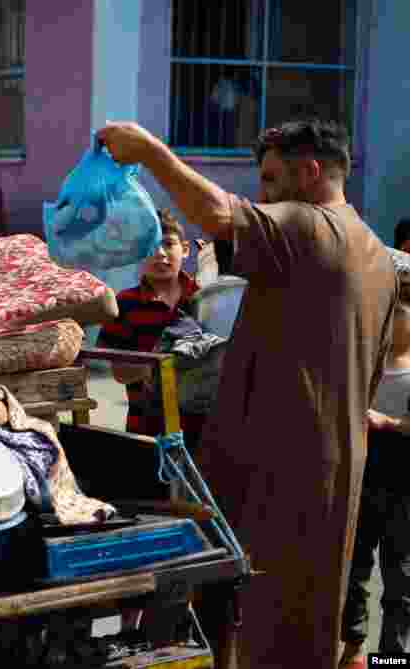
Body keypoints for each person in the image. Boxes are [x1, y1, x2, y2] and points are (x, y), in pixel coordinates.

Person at [96, 118, 397, 669]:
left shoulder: (309, 225)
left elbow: (216, 214)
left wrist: (148, 150)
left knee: (253, 613)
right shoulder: (378, 255)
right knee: (301, 618)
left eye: (272, 181)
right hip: (335, 467)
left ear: (310, 173)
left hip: (278, 469)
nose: (264, 197)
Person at [340, 261, 410, 668]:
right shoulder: (364, 364)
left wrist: (389, 422)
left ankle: (393, 658)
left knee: (399, 579)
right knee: (355, 570)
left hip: (403, 484)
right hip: (363, 478)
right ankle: (354, 647)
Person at [97, 209, 206, 452]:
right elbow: (121, 373)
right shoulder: (124, 303)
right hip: (146, 427)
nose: (159, 253)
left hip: (206, 428)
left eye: (168, 244)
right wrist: (166, 368)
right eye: (148, 246)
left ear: (186, 249)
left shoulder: (205, 296)